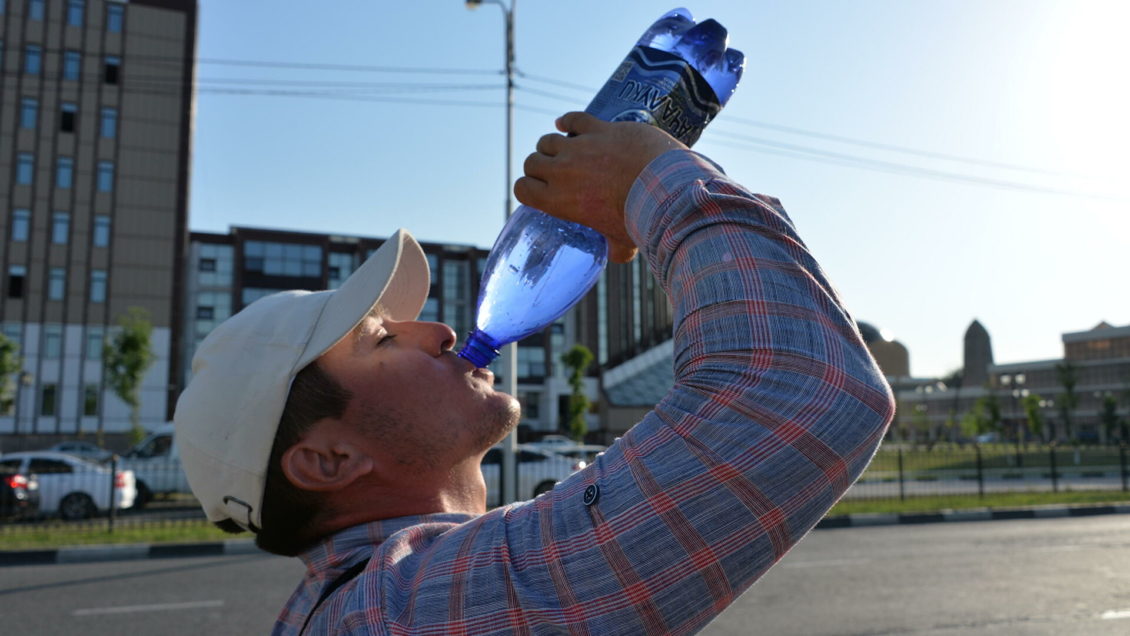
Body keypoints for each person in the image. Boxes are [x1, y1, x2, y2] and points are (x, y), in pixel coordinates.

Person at [174, 111, 894, 634]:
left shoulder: (352, 606)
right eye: (383, 340)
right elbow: (803, 390)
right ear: (329, 459)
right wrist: (657, 178)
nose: (442, 331)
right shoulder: (403, 609)